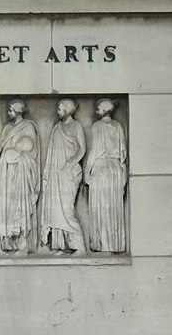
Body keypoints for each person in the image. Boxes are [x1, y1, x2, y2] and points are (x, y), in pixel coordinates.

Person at [0, 99, 40, 253]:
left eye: (11, 110)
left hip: (21, 174)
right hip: (7, 173)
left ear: (19, 111)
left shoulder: (28, 126)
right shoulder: (8, 128)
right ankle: (10, 242)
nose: (8, 112)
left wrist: (19, 156)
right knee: (8, 206)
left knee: (21, 206)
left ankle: (22, 243)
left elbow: (32, 152)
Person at [40, 98, 86, 254]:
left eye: (60, 109)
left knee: (67, 211)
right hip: (56, 175)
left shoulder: (76, 126)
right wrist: (46, 177)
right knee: (56, 210)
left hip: (69, 175)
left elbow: (82, 149)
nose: (57, 111)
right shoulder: (57, 128)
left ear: (67, 110)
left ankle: (80, 246)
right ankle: (62, 245)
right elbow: (50, 155)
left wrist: (70, 164)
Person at [86, 98, 127, 253]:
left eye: (98, 109)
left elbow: (95, 151)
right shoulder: (118, 126)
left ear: (104, 110)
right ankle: (114, 244)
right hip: (116, 170)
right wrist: (123, 176)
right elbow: (123, 155)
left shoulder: (97, 126)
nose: (96, 112)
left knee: (102, 208)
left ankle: (103, 245)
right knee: (114, 208)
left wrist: (87, 172)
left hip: (101, 169)